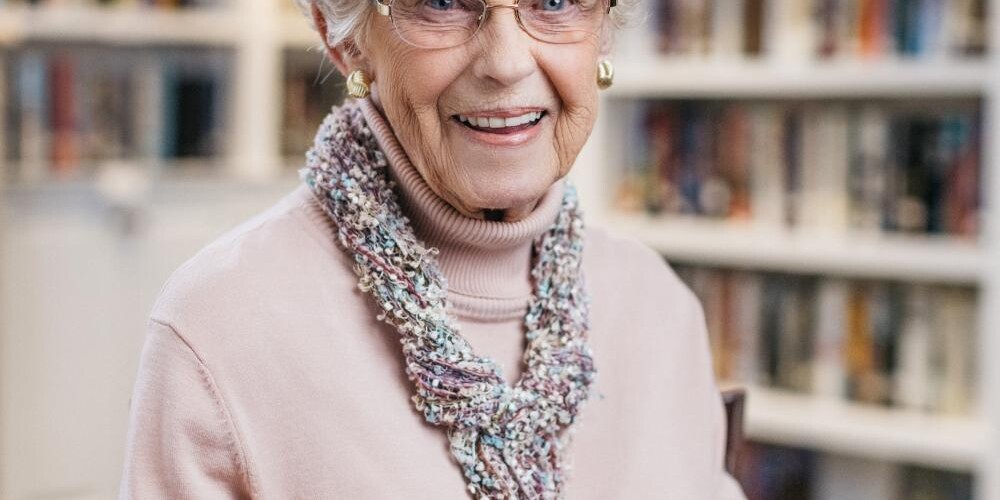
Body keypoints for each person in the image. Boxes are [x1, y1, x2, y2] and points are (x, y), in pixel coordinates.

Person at [118, 0, 748, 498]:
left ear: (603, 32)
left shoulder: (663, 309)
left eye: (555, 1)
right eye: (443, 2)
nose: (505, 61)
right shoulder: (219, 327)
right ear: (344, 37)